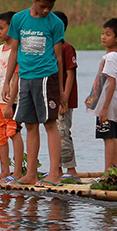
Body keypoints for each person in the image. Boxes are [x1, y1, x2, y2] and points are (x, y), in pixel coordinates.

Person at [4, 0, 65, 187]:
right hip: (25, 78)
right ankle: (31, 173)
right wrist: (7, 82)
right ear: (33, 0)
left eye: (50, 6)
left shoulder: (55, 23)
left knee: (49, 123)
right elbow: (14, 52)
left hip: (47, 78)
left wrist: (63, 90)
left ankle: (54, 174)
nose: (46, 10)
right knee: (30, 125)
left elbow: (59, 57)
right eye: (42, 6)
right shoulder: (19, 19)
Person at [86, 17, 117, 172]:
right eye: (103, 33)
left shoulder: (110, 58)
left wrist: (104, 108)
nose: (103, 37)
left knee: (108, 137)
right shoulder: (116, 56)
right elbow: (103, 83)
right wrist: (92, 97)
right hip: (111, 104)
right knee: (113, 136)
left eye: (108, 34)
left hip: (107, 105)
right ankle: (113, 170)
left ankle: (108, 172)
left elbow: (112, 83)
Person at [0, 10, 23, 182]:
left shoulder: (17, 51)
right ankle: (5, 170)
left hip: (11, 101)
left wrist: (11, 103)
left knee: (13, 132)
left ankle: (17, 172)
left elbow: (17, 77)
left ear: (13, 27)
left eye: (2, 28)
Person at [48, 11, 80, 179]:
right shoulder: (51, 47)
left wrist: (64, 98)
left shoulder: (66, 48)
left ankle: (71, 169)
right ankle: (57, 169)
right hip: (52, 98)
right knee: (55, 131)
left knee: (63, 132)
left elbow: (70, 74)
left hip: (63, 100)